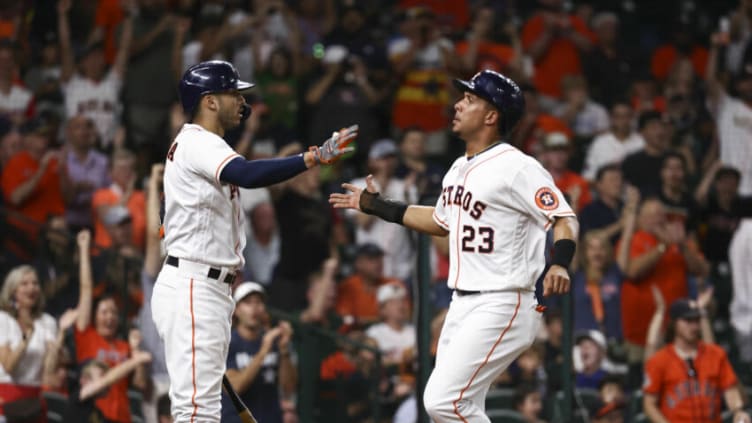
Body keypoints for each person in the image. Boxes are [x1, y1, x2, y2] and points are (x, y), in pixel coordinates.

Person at [330, 69, 579, 422]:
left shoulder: (518, 167)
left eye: (470, 99)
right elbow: (440, 222)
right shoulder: (458, 167)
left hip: (503, 300)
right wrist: (378, 206)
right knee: (457, 408)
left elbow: (564, 217)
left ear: (492, 116)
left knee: (443, 402)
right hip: (462, 303)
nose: (459, 104)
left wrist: (560, 261)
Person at [151, 60, 357, 422]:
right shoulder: (199, 141)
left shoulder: (194, 145)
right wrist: (312, 157)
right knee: (196, 410)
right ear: (210, 101)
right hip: (194, 283)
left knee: (202, 407)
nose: (240, 101)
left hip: (200, 283)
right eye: (233, 93)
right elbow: (244, 174)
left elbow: (169, 210)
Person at [643, 299, 751, 423]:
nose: (694, 326)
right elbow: (649, 405)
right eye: (688, 321)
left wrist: (738, 411)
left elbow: (730, 390)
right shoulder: (659, 360)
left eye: (697, 320)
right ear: (674, 323)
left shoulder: (716, 354)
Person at [223, 282, 296, 423]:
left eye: (259, 302)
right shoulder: (229, 343)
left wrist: (284, 350)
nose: (254, 308)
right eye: (248, 303)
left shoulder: (274, 342)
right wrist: (263, 352)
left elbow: (289, 388)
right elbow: (234, 388)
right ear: (236, 310)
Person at [0, 265, 58, 422]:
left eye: (35, 283)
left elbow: (49, 373)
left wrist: (59, 342)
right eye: (24, 284)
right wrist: (26, 338)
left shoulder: (48, 322)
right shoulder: (4, 319)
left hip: (33, 402)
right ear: (13, 291)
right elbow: (8, 366)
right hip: (6, 399)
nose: (31, 288)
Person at [63, 353, 153, 422]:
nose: (108, 383)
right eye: (102, 376)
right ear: (84, 380)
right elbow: (107, 380)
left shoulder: (96, 412)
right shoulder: (76, 400)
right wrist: (137, 360)